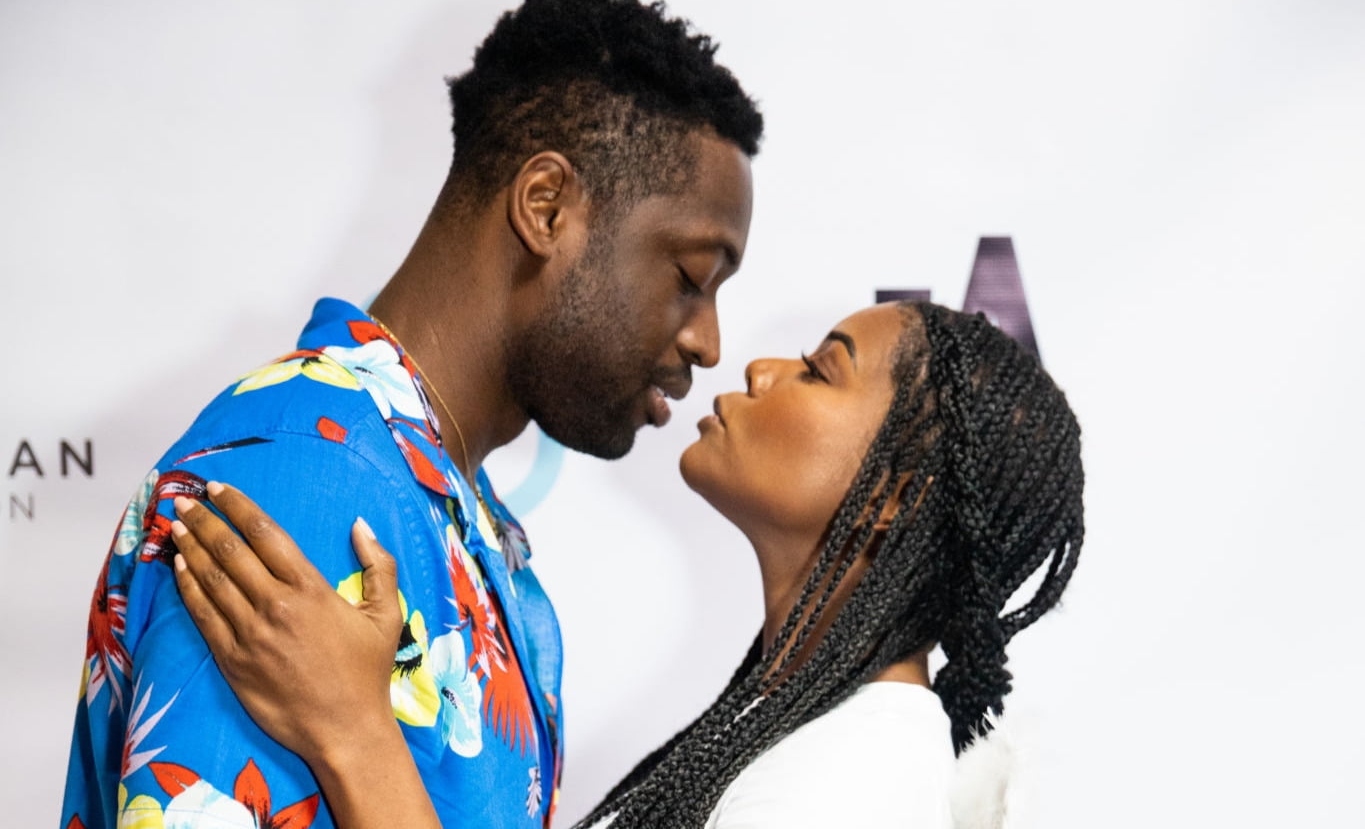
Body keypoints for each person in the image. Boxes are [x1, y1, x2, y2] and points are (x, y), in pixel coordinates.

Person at [61, 0, 762, 829]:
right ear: (546, 207)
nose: (708, 343)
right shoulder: (302, 483)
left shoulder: (459, 518)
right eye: (690, 277)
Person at [168, 299, 1085, 828]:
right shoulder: (798, 726)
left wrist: (353, 730)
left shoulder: (851, 784)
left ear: (894, 497)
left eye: (818, 369)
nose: (758, 367)